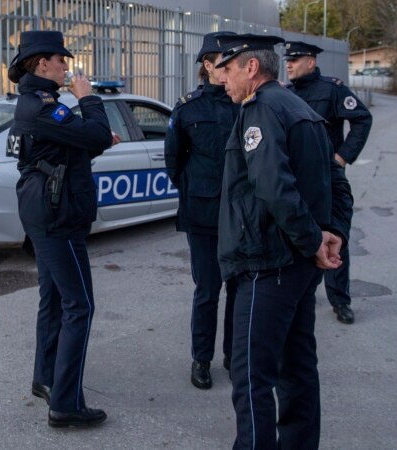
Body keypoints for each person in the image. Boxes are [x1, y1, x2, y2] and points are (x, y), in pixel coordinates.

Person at [215, 33, 353, 448]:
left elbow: (275, 187)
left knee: (252, 378)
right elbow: (337, 183)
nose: (222, 78)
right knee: (296, 370)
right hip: (295, 266)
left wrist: (315, 240)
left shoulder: (262, 109)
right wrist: (332, 235)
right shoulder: (300, 108)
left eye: (228, 68)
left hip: (266, 264)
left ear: (251, 68)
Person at [6, 30, 118, 428]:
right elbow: (92, 133)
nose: (67, 68)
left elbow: (77, 143)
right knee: (80, 306)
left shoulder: (37, 103)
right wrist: (88, 97)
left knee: (53, 299)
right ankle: (66, 404)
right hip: (58, 216)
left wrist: (97, 136)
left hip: (44, 210)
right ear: (41, 64)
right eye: (61, 61)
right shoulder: (43, 105)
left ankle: (45, 378)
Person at [164, 31, 239, 390]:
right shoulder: (188, 107)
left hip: (243, 214)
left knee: (240, 289)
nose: (232, 69)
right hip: (204, 215)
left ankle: (235, 356)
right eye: (226, 62)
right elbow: (173, 161)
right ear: (208, 66)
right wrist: (198, 190)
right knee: (208, 290)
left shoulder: (248, 103)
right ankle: (202, 359)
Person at [285, 41, 373, 324]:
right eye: (287, 60)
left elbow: (361, 118)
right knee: (297, 232)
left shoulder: (332, 89)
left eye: (295, 60)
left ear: (311, 62)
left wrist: (343, 157)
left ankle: (339, 298)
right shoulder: (285, 94)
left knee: (334, 232)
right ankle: (297, 293)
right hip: (296, 176)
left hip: (327, 176)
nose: (288, 64)